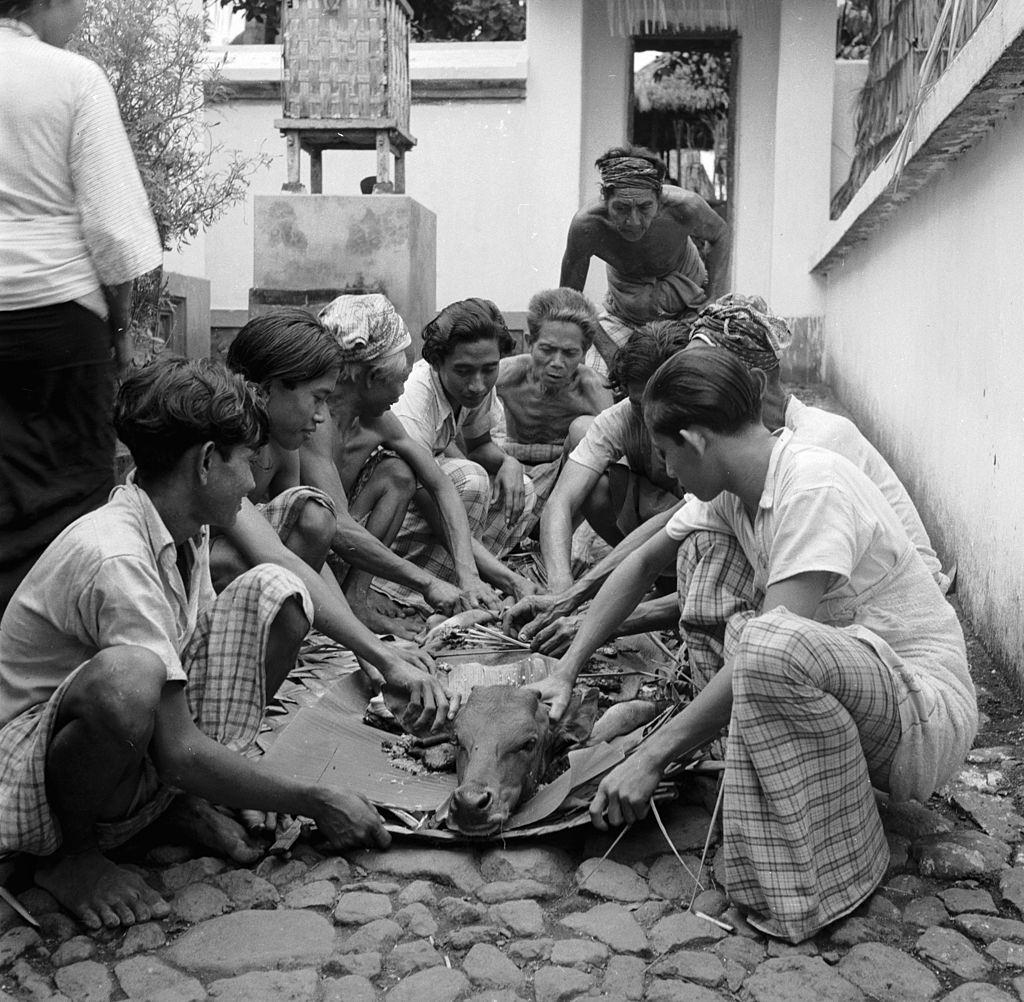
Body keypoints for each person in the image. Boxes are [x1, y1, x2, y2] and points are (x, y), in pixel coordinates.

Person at [532, 347, 977, 943]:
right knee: (717, 572)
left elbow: (771, 650)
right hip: (864, 689)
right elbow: (640, 565)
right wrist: (566, 669)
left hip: (924, 718)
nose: (665, 472)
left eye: (666, 455)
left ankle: (830, 880)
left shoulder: (811, 485)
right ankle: (794, 791)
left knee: (763, 639)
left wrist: (651, 756)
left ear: (695, 440)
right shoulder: (736, 486)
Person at [0, 358, 392, 931]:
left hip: (131, 752)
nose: (256, 482)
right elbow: (176, 744)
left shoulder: (186, 524)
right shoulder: (116, 555)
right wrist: (312, 799)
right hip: (24, 768)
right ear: (207, 461)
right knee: (129, 680)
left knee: (276, 593)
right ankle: (72, 856)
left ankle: (169, 807)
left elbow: (186, 677)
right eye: (244, 462)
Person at [507, 294, 951, 653]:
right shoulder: (751, 452)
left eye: (703, 377)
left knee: (728, 576)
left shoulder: (815, 449)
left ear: (751, 385)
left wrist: (599, 620)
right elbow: (654, 548)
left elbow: (773, 639)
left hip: (883, 628)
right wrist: (572, 601)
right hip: (831, 608)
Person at [204, 310, 449, 745]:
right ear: (268, 389)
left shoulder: (281, 444)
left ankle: (249, 714)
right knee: (275, 575)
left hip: (252, 580)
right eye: (316, 398)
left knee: (311, 520)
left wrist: (366, 651)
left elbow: (305, 551)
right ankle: (226, 736)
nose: (321, 417)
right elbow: (278, 557)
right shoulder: (224, 453)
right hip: (201, 599)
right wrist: (383, 655)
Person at [0, 0, 162, 611]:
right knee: (68, 492)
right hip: (57, 316)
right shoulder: (73, 78)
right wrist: (120, 325)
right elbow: (115, 230)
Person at [298, 294, 503, 635]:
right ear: (368, 379)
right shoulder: (315, 423)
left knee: (398, 472)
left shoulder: (378, 420)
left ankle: (357, 598)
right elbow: (339, 527)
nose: (404, 387)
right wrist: (427, 583)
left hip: (341, 544)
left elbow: (439, 484)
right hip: (305, 546)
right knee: (321, 517)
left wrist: (468, 575)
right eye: (398, 379)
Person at [382, 298, 539, 609]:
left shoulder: (475, 385)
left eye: (489, 369)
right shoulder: (415, 402)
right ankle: (411, 592)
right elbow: (432, 503)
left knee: (523, 487)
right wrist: (507, 577)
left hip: (434, 502)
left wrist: (510, 462)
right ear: (438, 362)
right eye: (464, 371)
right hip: (393, 517)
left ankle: (467, 585)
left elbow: (479, 445)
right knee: (472, 480)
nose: (477, 384)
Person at [538, 319, 690, 594]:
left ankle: (676, 585)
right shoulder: (622, 418)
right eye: (640, 404)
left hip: (700, 527)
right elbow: (560, 501)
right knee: (593, 488)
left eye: (663, 403)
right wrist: (560, 588)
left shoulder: (711, 424)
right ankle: (661, 582)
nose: (651, 417)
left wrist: (581, 593)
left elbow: (691, 515)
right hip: (659, 523)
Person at [560, 144, 730, 378]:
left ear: (659, 200)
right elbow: (570, 298)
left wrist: (711, 299)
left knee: (706, 377)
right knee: (599, 380)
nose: (633, 221)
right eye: (621, 208)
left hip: (688, 309)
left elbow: (720, 235)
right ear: (605, 198)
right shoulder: (587, 225)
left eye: (644, 207)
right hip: (623, 315)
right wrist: (609, 351)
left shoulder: (686, 207)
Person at [495, 287, 613, 522]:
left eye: (569, 353)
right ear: (530, 342)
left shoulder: (593, 389)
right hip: (507, 470)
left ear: (584, 353)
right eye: (547, 350)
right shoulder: (505, 375)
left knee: (589, 429)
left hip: (564, 482)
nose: (557, 363)